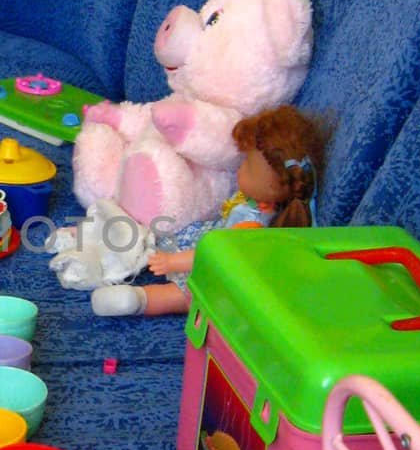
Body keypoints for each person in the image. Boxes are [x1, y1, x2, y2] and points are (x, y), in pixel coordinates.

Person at [92, 103, 327, 317]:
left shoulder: (251, 227)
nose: (240, 169)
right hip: (209, 239)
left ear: (272, 186)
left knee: (184, 296)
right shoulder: (258, 203)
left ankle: (137, 300)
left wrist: (174, 262)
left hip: (217, 267)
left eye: (247, 165)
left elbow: (216, 255)